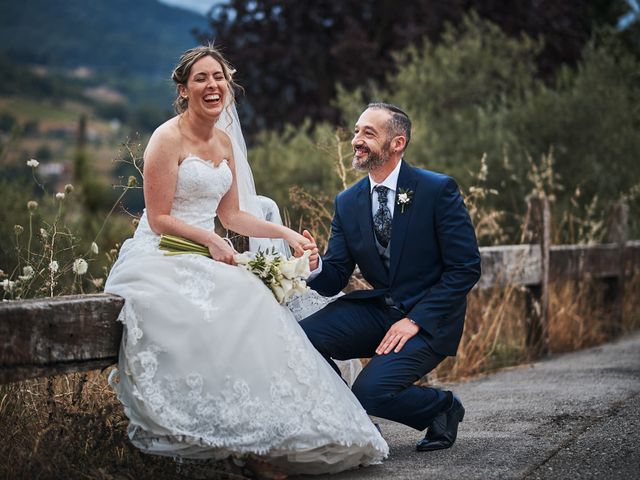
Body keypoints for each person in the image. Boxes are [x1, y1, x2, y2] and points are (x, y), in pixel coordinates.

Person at [104, 46, 387, 477]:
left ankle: (269, 436)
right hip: (163, 254)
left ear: (228, 85)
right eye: (200, 79)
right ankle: (230, 439)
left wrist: (287, 234)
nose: (212, 85)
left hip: (209, 250)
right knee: (236, 302)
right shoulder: (166, 138)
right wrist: (211, 242)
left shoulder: (223, 142)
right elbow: (159, 219)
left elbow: (232, 215)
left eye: (218, 77)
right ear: (183, 90)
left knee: (255, 301)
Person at [300, 103, 481, 453]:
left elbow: (465, 267)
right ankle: (355, 424)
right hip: (380, 311)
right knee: (300, 338)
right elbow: (334, 276)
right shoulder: (348, 201)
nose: (357, 140)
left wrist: (415, 320)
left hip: (430, 320)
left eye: (369, 133)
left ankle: (442, 407)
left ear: (398, 143)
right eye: (356, 131)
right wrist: (314, 265)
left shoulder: (436, 190)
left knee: (370, 392)